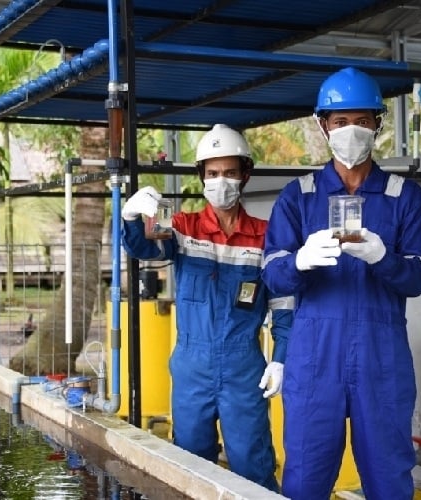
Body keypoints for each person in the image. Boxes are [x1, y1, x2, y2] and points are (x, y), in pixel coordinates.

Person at [262, 67, 421, 499]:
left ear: (378, 123)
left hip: (382, 358)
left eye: (361, 121)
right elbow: (272, 273)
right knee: (304, 473)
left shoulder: (404, 197)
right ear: (324, 126)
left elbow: (419, 278)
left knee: (389, 475)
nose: (351, 131)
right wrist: (300, 261)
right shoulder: (298, 196)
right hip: (313, 355)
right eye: (341, 122)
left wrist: (383, 258)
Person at [119, 124, 292, 492]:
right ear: (201, 177)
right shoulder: (183, 227)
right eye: (212, 174)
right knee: (190, 465)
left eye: (229, 172)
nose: (221, 181)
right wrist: (131, 217)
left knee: (253, 465)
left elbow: (284, 306)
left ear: (246, 174)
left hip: (243, 367)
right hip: (191, 365)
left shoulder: (268, 235)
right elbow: (146, 249)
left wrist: (281, 359)